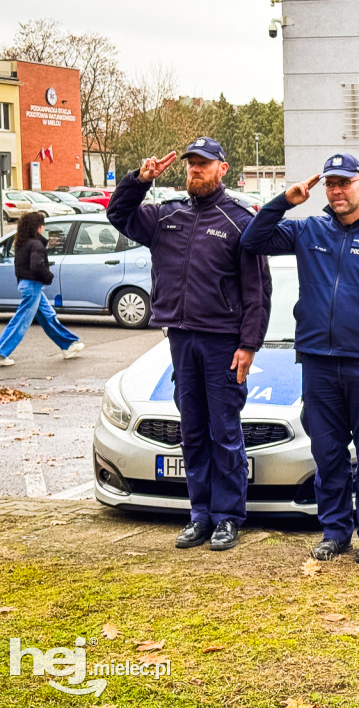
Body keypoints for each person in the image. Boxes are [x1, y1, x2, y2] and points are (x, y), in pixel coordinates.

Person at [240, 153, 359, 564]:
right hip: (318, 362)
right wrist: (284, 200)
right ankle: (336, 530)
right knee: (327, 453)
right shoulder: (308, 230)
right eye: (331, 184)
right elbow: (252, 241)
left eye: (345, 182)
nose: (337, 191)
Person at [107, 137, 271, 552]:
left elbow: (257, 290)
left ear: (223, 168)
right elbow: (118, 214)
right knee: (193, 431)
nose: (196, 169)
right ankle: (200, 515)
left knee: (225, 432)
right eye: (191, 164)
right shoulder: (166, 216)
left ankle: (228, 518)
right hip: (180, 339)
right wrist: (139, 180)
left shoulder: (239, 221)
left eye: (204, 163)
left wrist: (249, 344)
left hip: (222, 343)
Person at [0, 211, 84, 365]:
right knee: (21, 320)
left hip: (27, 284)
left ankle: (68, 345)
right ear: (36, 227)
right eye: (42, 224)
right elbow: (37, 266)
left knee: (48, 315)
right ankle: (1, 351)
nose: (43, 227)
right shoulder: (36, 244)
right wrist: (48, 277)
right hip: (33, 285)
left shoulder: (22, 243)